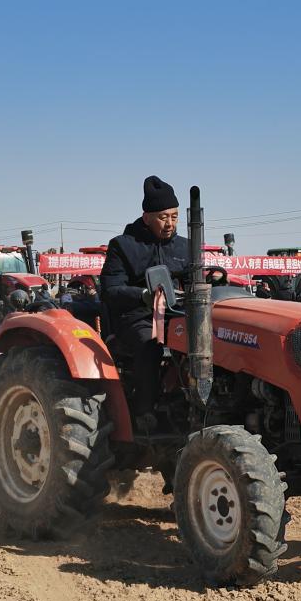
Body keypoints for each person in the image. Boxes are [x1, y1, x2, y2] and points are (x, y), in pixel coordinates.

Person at [100, 176, 190, 430]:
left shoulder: (185, 247)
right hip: (136, 317)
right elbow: (110, 290)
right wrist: (142, 295)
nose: (170, 223)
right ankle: (144, 410)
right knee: (150, 344)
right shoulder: (123, 246)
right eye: (163, 217)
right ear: (147, 216)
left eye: (174, 216)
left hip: (177, 315)